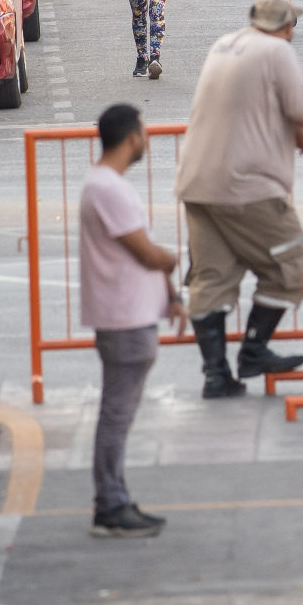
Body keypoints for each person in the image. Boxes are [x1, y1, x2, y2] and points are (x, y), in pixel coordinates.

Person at [178, 0, 303, 399]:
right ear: (286, 26)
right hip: (247, 185)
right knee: (295, 266)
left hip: (198, 181)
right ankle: (253, 349)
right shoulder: (277, 51)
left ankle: (216, 375)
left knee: (211, 277)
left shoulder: (224, 44)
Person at [77, 103, 187, 537]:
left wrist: (171, 296)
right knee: (117, 415)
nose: (146, 139)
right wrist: (173, 258)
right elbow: (144, 251)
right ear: (130, 138)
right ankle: (110, 504)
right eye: (143, 132)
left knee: (118, 412)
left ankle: (115, 498)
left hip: (128, 314)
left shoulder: (105, 184)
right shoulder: (109, 188)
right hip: (123, 318)